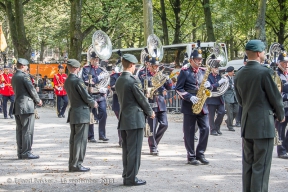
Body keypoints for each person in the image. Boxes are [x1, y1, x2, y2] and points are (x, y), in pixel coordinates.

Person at [234, 40, 285, 192]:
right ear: (258, 53)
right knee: (261, 168)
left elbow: (241, 101)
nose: (264, 54)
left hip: (247, 124)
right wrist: (280, 114)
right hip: (263, 125)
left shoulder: (239, 74)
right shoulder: (265, 72)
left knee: (248, 165)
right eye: (263, 51)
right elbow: (275, 97)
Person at [115, 54, 154, 186]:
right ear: (131, 65)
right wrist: (150, 111)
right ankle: (131, 178)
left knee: (126, 150)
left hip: (124, 119)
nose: (135, 67)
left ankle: (127, 175)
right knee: (135, 150)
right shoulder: (133, 81)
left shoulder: (119, 80)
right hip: (134, 120)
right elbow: (141, 99)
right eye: (135, 65)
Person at [175, 48, 211, 165]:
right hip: (189, 105)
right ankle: (191, 156)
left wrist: (208, 85)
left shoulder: (203, 71)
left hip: (202, 104)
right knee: (189, 132)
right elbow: (178, 88)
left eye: (201, 59)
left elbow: (208, 88)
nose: (200, 61)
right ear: (191, 60)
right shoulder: (185, 71)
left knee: (205, 129)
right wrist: (189, 97)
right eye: (197, 59)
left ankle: (200, 153)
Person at [64, 59, 97, 172]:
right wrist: (93, 103)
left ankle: (72, 163)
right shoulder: (77, 81)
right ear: (75, 68)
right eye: (78, 68)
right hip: (81, 113)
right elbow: (85, 95)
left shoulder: (68, 80)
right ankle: (77, 164)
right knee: (80, 140)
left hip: (74, 112)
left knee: (73, 140)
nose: (79, 70)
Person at [138, 56, 172, 155]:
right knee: (151, 127)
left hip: (160, 102)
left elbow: (169, 87)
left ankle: (154, 142)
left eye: (157, 66)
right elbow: (140, 87)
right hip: (150, 102)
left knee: (164, 124)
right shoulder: (143, 74)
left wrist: (168, 79)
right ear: (149, 65)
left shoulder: (161, 75)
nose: (156, 68)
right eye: (154, 66)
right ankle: (152, 147)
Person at [11, 58, 43, 159]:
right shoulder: (24, 76)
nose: (27, 68)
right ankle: (26, 152)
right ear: (22, 66)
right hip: (26, 106)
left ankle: (20, 152)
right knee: (27, 130)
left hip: (18, 105)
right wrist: (38, 100)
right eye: (26, 66)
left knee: (20, 130)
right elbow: (31, 89)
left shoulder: (14, 76)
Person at [82, 51, 109, 142]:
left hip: (100, 95)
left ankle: (102, 134)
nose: (96, 61)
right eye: (94, 59)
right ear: (91, 59)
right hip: (91, 95)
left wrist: (105, 89)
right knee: (91, 115)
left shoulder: (101, 70)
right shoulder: (86, 69)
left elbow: (106, 82)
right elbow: (87, 81)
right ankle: (91, 136)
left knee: (103, 114)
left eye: (97, 59)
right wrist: (98, 78)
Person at [206, 59, 227, 136]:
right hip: (211, 98)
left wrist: (224, 81)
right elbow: (209, 87)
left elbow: (223, 85)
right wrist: (218, 83)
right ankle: (212, 130)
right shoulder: (208, 76)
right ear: (211, 69)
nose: (217, 69)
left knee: (222, 112)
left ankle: (217, 127)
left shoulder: (220, 76)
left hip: (219, 98)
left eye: (217, 68)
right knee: (211, 115)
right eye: (215, 68)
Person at [275, 51, 288, 159]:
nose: (286, 65)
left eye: (287, 62)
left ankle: (286, 147)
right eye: (284, 63)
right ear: (279, 63)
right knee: (280, 129)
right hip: (282, 105)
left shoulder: (286, 74)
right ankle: (281, 151)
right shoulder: (276, 75)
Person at [110, 57, 122, 147]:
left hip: (126, 102)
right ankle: (121, 140)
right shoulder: (114, 76)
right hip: (117, 102)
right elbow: (113, 87)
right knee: (121, 121)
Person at [223, 66, 239, 131]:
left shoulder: (234, 77)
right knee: (230, 113)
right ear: (228, 72)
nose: (233, 72)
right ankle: (230, 126)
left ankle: (228, 121)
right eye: (232, 71)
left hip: (235, 97)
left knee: (236, 111)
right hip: (228, 97)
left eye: (233, 71)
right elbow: (224, 87)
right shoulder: (225, 78)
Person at [235, 55, 248, 127]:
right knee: (241, 107)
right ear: (244, 63)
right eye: (246, 62)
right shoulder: (241, 70)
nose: (247, 63)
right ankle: (238, 120)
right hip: (242, 91)